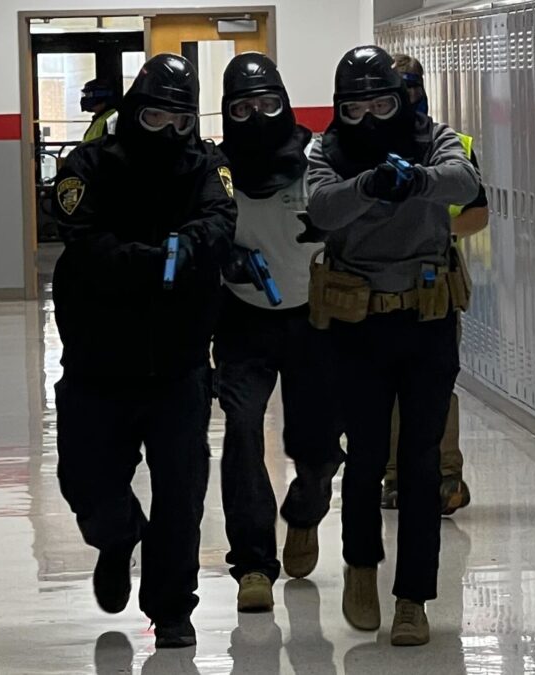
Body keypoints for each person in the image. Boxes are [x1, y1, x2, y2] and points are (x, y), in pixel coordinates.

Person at [51, 53, 237, 649]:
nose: (168, 131)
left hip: (178, 364)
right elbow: (83, 242)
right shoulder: (87, 165)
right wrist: (155, 262)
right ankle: (117, 536)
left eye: (180, 121)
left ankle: (173, 609)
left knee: (181, 493)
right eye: (155, 116)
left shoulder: (207, 164)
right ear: (135, 109)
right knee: (86, 482)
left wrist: (185, 249)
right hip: (97, 361)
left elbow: (220, 219)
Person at [305, 45, 480, 647]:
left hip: (427, 321)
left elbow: (465, 180)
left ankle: (412, 599)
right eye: (356, 107)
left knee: (421, 462)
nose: (372, 118)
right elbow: (322, 206)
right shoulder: (325, 149)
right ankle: (361, 568)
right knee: (366, 454)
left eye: (383, 103)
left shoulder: (435, 138)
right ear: (339, 108)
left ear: (402, 99)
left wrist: (418, 179)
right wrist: (370, 184)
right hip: (358, 326)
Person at [213, 52, 344, 612]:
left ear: (285, 101)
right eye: (242, 108)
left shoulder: (318, 156)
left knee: (317, 446)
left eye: (268, 104)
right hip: (243, 318)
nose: (257, 116)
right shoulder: (215, 168)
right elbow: (198, 227)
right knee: (242, 431)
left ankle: (308, 507)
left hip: (314, 316)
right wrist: (224, 258)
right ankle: (253, 565)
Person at [382, 53, 490, 515]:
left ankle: (447, 476)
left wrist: (434, 231)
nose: (408, 96)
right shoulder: (360, 145)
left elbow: (478, 213)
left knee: (437, 381)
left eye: (413, 86)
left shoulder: (451, 145)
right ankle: (394, 478)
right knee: (386, 386)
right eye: (398, 87)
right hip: (378, 281)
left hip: (437, 280)